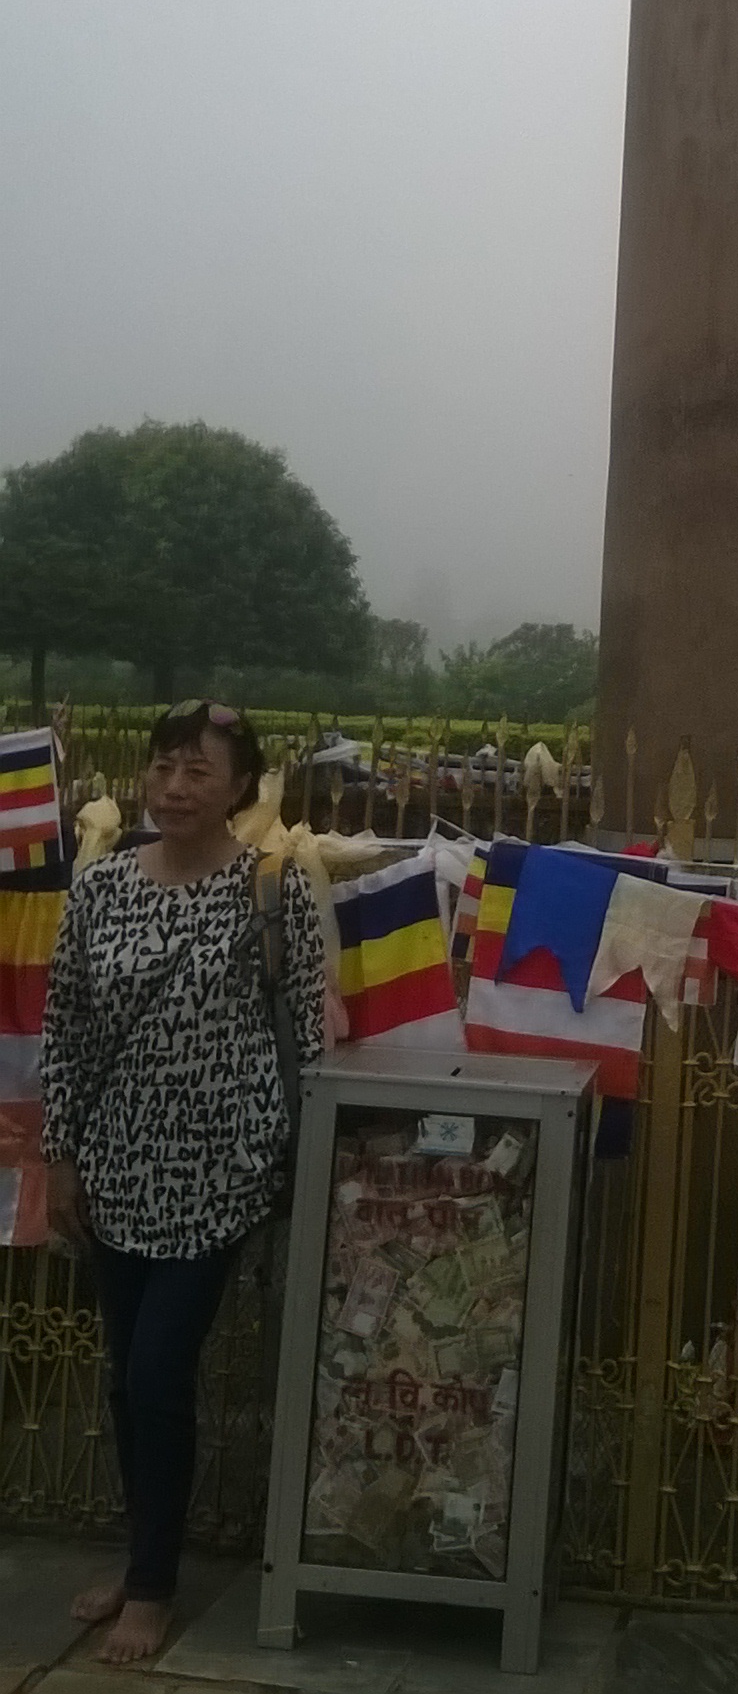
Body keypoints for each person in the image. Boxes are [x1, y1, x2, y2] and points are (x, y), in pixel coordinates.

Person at [41, 700, 325, 1665]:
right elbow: (69, 1028)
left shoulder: (271, 891)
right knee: (126, 1380)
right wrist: (60, 1152)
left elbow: (312, 1032)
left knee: (160, 1373)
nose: (174, 786)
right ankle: (143, 1552)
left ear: (241, 787)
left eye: (199, 771)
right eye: (164, 767)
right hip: (115, 1165)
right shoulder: (103, 889)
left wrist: (302, 1154)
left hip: (219, 1171)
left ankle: (154, 1588)